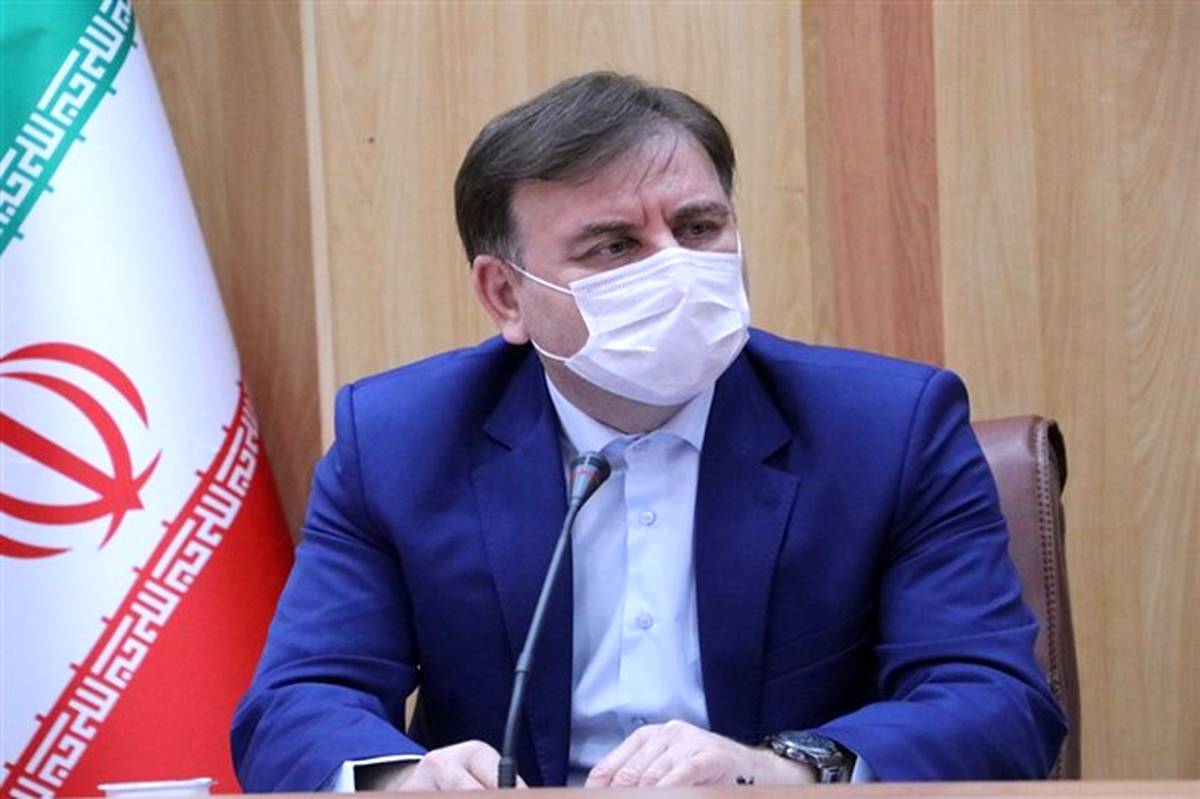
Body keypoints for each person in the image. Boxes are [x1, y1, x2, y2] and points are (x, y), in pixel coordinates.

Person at [231, 72, 1066, 792]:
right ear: (506, 296)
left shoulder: (888, 427)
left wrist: (779, 769)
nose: (675, 268)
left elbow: (993, 700)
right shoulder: (399, 441)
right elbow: (298, 702)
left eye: (698, 228)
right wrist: (407, 779)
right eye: (614, 246)